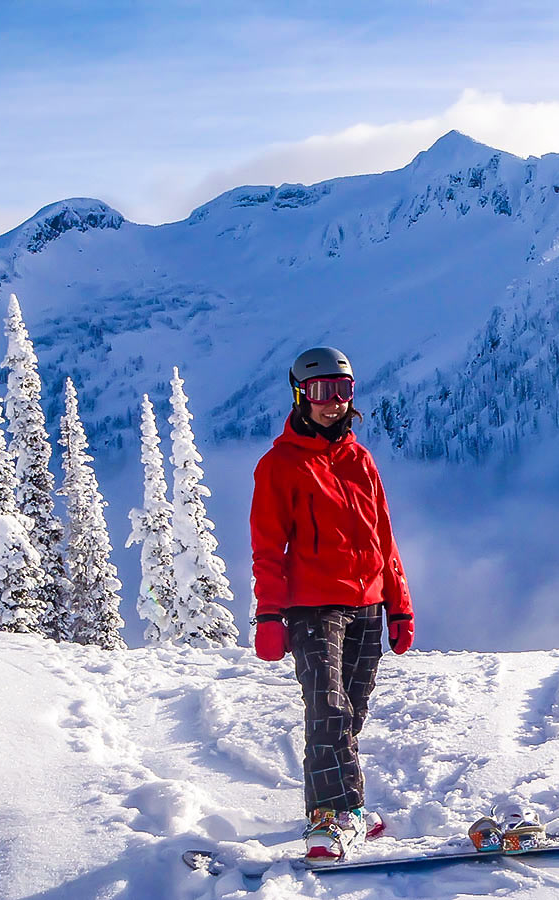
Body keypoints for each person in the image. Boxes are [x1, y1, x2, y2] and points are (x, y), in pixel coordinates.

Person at [250, 346, 414, 860]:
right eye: (321, 392)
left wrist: (399, 604)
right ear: (301, 395)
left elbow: (383, 538)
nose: (333, 403)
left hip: (366, 603)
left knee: (351, 713)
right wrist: (270, 615)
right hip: (312, 607)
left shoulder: (360, 460)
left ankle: (349, 813)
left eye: (342, 391)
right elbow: (266, 548)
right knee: (327, 708)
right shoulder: (278, 466)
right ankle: (332, 814)